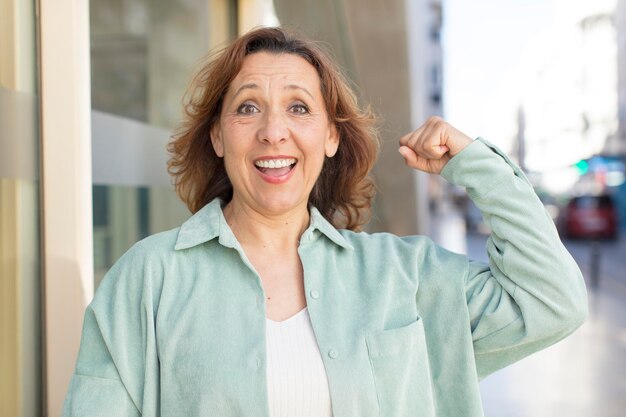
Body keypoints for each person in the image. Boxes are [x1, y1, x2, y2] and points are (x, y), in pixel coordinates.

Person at [62, 27, 588, 417]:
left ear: (331, 138)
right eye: (247, 108)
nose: (273, 132)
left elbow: (553, 301)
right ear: (218, 137)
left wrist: (478, 167)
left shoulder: (403, 276)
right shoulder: (147, 280)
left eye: (298, 108)